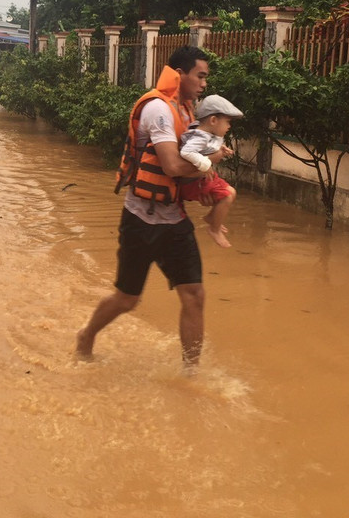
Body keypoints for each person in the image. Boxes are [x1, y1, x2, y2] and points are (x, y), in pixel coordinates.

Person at [75, 45, 211, 368]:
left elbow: (186, 169)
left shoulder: (188, 111)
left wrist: (203, 186)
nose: (205, 84)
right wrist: (209, 164)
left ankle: (191, 375)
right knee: (128, 299)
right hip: (141, 219)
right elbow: (172, 167)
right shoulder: (158, 110)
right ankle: (87, 335)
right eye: (200, 76)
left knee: (194, 295)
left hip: (174, 219)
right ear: (181, 74)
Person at [178, 94, 243, 248]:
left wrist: (221, 149)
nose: (229, 126)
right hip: (194, 181)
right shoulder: (200, 136)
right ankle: (214, 229)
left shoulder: (208, 135)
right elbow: (186, 152)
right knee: (227, 195)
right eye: (227, 122)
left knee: (231, 193)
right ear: (213, 120)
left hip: (202, 178)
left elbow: (206, 149)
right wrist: (205, 164)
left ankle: (213, 219)